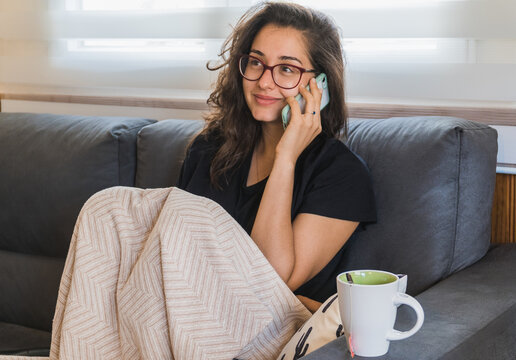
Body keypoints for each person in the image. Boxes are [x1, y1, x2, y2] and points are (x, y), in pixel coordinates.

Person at [178, 1, 376, 313]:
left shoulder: (343, 175)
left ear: (319, 85)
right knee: (105, 209)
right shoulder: (209, 148)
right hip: (180, 302)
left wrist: (286, 157)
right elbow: (178, 254)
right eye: (256, 62)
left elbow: (267, 280)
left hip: (252, 325)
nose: (264, 81)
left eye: (287, 69)